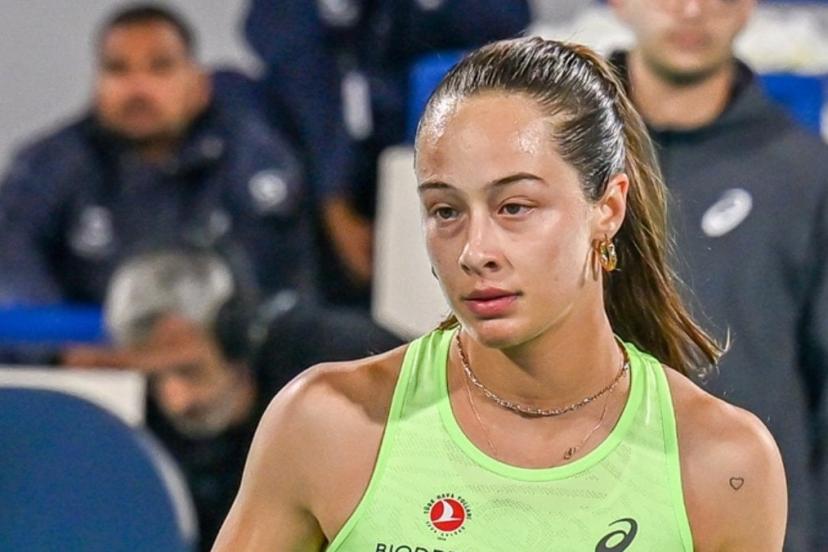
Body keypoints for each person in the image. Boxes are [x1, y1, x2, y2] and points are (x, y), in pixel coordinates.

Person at [211, 38, 786, 551]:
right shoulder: (327, 425)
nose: (475, 250)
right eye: (445, 211)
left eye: (515, 207)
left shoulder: (721, 465)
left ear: (608, 208)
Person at [608, 1, 828, 549]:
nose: (693, 10)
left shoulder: (806, 174)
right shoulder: (556, 160)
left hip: (764, 528)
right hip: (587, 513)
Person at [67, 244, 402, 551]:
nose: (176, 400)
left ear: (234, 336)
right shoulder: (149, 427)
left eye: (188, 370)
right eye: (155, 378)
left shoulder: (339, 357)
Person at [0, 5, 315, 306]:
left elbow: (282, 286)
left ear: (199, 85)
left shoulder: (251, 160)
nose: (138, 88)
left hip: (219, 342)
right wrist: (63, 337)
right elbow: (13, 264)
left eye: (160, 68)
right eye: (117, 69)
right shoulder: (50, 165)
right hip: (84, 343)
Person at [244, 0, 532, 307]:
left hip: (427, 162)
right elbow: (302, 76)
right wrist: (335, 201)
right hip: (330, 183)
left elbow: (505, 23)